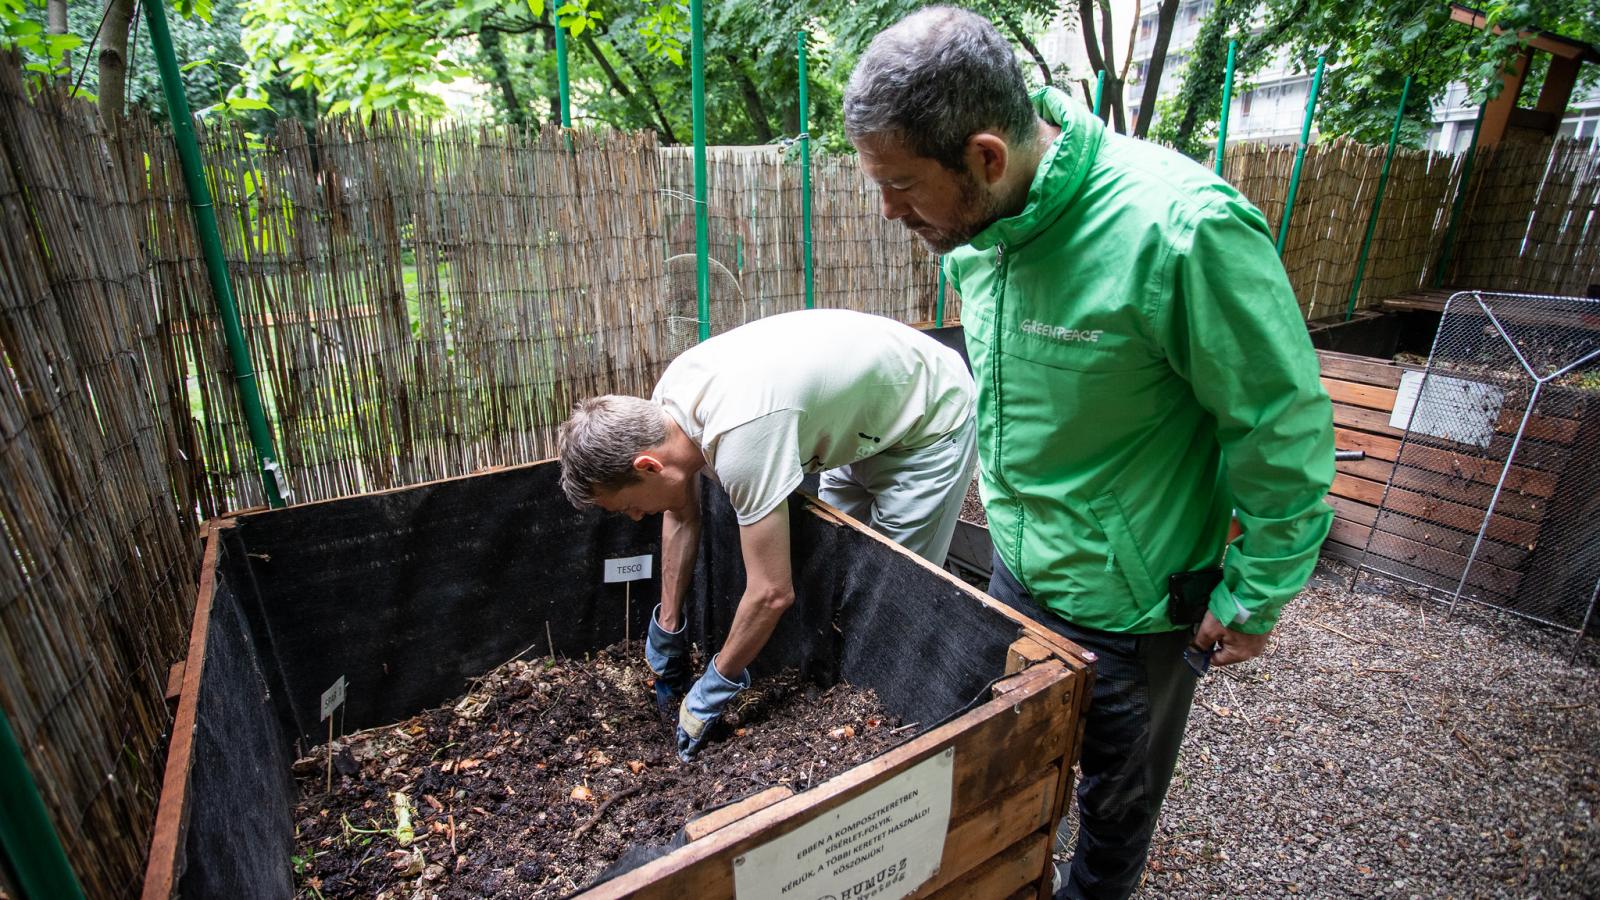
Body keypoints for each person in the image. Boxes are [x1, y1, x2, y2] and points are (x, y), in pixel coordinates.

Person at [844, 8, 1335, 899]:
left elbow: (1281, 425)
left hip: (1134, 608)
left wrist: (1256, 592)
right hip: (1017, 571)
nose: (888, 211)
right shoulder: (977, 233)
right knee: (1002, 771)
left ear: (987, 157)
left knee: (1114, 808)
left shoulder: (1182, 231)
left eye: (904, 186)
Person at [557, 308, 977, 761]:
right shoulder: (665, 411)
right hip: (860, 420)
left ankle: (891, 729)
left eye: (630, 506)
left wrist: (713, 689)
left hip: (928, 418)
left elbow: (773, 593)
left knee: (893, 587)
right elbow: (680, 514)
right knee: (835, 560)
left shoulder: (740, 440)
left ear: (648, 465)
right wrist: (669, 626)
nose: (637, 516)